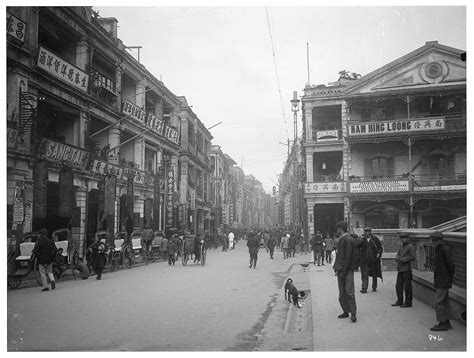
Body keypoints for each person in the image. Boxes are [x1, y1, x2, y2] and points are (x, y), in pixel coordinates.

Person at [430, 231, 455, 331]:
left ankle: (442, 323)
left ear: (441, 240)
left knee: (438, 302)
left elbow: (451, 266)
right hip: (442, 279)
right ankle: (447, 322)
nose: (434, 242)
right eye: (433, 240)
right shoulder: (439, 249)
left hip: (443, 280)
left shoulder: (444, 249)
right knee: (445, 301)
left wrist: (449, 279)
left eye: (436, 240)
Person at [333, 221, 358, 323]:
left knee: (348, 292)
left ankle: (352, 313)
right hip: (343, 269)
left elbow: (347, 257)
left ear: (340, 229)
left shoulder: (346, 240)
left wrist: (343, 271)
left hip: (345, 270)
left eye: (337, 229)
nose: (337, 231)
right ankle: (346, 311)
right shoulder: (346, 239)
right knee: (343, 293)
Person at [392, 233, 415, 308]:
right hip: (400, 269)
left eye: (404, 238)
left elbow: (413, 257)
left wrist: (403, 259)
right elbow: (398, 254)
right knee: (398, 286)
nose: (403, 240)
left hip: (407, 269)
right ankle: (399, 301)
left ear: (408, 238)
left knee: (408, 287)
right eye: (402, 238)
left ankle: (408, 303)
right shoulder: (401, 247)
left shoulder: (410, 247)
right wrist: (397, 257)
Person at [359, 227, 383, 293]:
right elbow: (358, 246)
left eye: (368, 231)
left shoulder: (375, 239)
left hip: (373, 259)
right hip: (365, 259)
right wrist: (360, 240)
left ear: (370, 232)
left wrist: (379, 253)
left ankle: (374, 287)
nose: (367, 233)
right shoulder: (362, 239)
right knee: (365, 274)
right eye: (366, 231)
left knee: (374, 274)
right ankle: (364, 288)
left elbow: (380, 247)